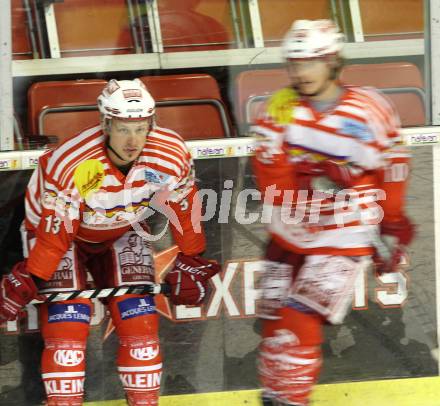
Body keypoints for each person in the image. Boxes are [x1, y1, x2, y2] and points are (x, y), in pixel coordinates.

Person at [0, 78, 220, 406]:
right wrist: (31, 277)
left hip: (120, 228)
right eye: (123, 129)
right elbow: (56, 233)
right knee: (67, 332)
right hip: (60, 235)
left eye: (142, 128)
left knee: (140, 325)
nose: (133, 140)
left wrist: (192, 258)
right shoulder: (74, 162)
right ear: (105, 124)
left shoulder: (170, 154)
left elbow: (183, 207)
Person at [251, 20, 414, 406]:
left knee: (299, 318)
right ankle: (276, 396)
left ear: (332, 62)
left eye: (310, 63)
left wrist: (390, 222)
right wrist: (304, 182)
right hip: (288, 238)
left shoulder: (369, 108)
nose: (300, 73)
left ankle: (291, 400)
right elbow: (270, 183)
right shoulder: (279, 112)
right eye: (294, 63)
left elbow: (393, 162)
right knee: (275, 327)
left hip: (345, 238)